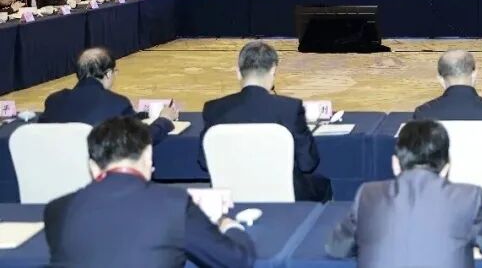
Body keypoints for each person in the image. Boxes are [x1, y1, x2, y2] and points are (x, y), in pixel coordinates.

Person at [44, 117, 255, 268]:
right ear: (148, 157)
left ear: (93, 166)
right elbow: (237, 261)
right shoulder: (175, 204)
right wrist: (230, 226)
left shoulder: (57, 210)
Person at [325, 120, 482, 267]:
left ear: (395, 164)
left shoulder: (368, 195)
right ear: (446, 167)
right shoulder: (467, 198)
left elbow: (336, 247)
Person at [200, 40, 331, 202]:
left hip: (231, 196)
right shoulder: (290, 108)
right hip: (285, 198)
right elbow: (308, 163)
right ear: (273, 71)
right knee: (321, 184)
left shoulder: (213, 109)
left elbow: (204, 162)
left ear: (238, 72)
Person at [413, 50, 482, 199]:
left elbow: (418, 165)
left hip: (439, 198)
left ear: (440, 79)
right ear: (474, 75)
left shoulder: (423, 114)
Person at [40, 47, 179, 143]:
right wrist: (164, 120)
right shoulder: (117, 103)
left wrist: (142, 115)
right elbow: (140, 140)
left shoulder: (54, 100)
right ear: (108, 74)